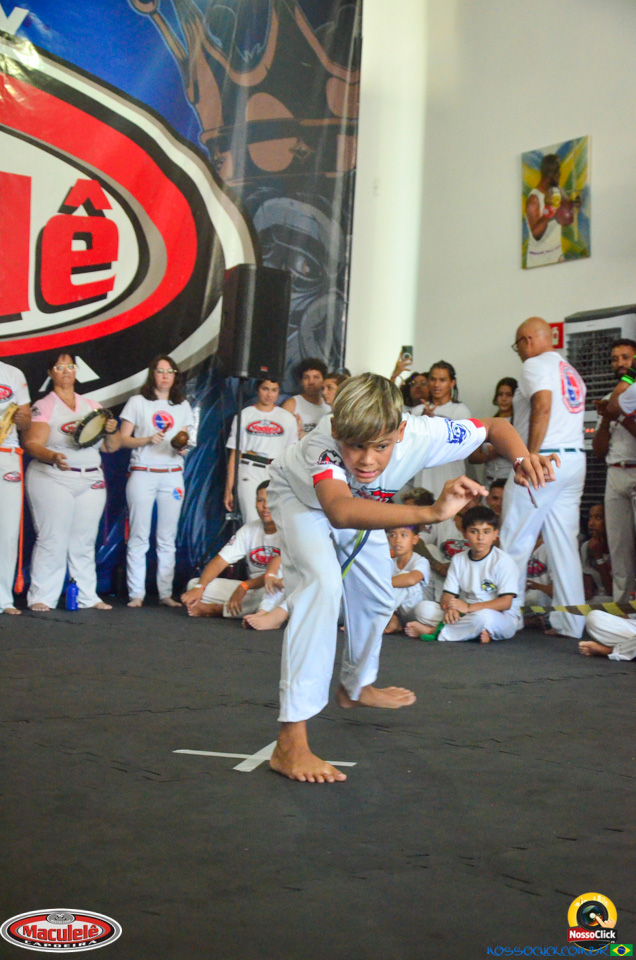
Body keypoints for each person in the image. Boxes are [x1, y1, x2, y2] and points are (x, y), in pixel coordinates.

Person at [266, 372, 555, 783]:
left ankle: (356, 688)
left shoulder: (423, 432)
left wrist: (524, 459)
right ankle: (290, 742)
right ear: (337, 431)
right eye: (355, 446)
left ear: (400, 432)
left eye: (381, 446)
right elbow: (340, 511)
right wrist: (431, 513)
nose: (367, 460)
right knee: (322, 588)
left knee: (379, 596)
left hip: (361, 504)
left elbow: (495, 427)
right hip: (303, 500)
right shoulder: (321, 446)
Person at [500, 316, 586, 639]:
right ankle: (571, 623)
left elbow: (542, 405)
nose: (519, 353)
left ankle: (508, 617)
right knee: (564, 545)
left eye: (518, 346)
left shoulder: (534, 365)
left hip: (545, 459)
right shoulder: (570, 371)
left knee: (514, 538)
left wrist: (529, 457)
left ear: (527, 340)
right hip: (573, 459)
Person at [23, 351, 120, 611]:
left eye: (70, 366)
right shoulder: (45, 405)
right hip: (53, 477)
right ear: (50, 373)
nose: (66, 371)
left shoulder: (92, 406)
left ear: (76, 371)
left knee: (84, 540)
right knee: (52, 538)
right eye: (59, 367)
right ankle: (42, 596)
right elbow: (31, 443)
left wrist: (112, 431)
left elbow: (111, 447)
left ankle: (87, 595)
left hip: (90, 478)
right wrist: (52, 456)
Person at [119, 356, 194, 608]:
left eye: (169, 371)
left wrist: (182, 448)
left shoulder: (182, 405)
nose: (164, 376)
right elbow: (122, 439)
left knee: (167, 538)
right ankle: (136, 593)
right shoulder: (138, 402)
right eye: (160, 371)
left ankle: (165, 593)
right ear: (152, 374)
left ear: (175, 376)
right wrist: (146, 440)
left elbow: (185, 438)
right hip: (143, 471)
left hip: (172, 473)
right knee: (139, 535)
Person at [404, 506, 518, 644]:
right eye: (474, 531)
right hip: (465, 612)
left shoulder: (503, 561)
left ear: (495, 534)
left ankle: (434, 631)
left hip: (499, 616)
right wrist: (450, 608)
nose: (480, 537)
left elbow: (506, 603)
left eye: (486, 532)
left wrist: (468, 608)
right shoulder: (458, 559)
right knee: (423, 609)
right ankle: (474, 632)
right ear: (464, 534)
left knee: (482, 618)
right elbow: (448, 595)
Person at [181, 481, 280, 618]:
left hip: (274, 587)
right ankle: (245, 609)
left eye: (270, 500)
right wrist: (200, 587)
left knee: (273, 593)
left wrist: (245, 586)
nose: (265, 506)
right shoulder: (249, 530)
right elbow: (220, 561)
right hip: (250, 589)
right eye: (260, 500)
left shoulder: (289, 531)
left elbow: (285, 574)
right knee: (194, 584)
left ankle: (216, 609)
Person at [592, 338, 636, 602]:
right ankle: (623, 610)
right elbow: (598, 451)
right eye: (615, 359)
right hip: (614, 474)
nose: (620, 363)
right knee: (619, 548)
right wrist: (606, 419)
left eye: (626, 357)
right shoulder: (610, 398)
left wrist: (617, 414)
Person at [224, 378, 298, 524]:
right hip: (250, 469)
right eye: (265, 389)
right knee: (252, 520)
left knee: (275, 520)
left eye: (274, 390)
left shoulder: (287, 418)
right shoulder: (244, 415)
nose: (269, 394)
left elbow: (291, 455)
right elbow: (235, 454)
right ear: (257, 390)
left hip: (276, 471)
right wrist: (228, 489)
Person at [411, 361, 472, 496]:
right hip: (422, 481)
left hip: (450, 478)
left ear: (452, 383)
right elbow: (409, 445)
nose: (436, 385)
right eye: (433, 379)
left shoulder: (460, 411)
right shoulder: (417, 411)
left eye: (442, 380)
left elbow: (461, 447)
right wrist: (422, 421)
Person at [0, 360, 31, 614]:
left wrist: (22, 418)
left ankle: (3, 599)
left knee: (8, 531)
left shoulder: (12, 373)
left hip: (7, 453)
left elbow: (25, 421)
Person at [524, 153, 580, 268]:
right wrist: (549, 212)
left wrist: (574, 205)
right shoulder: (534, 199)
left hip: (557, 253)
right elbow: (536, 234)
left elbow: (568, 219)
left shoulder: (558, 191)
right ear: (551, 174)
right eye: (558, 171)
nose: (560, 174)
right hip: (539, 258)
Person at [469, 377, 518, 485]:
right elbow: (472, 458)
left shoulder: (519, 424)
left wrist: (503, 449)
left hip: (512, 481)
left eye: (508, 395)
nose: (503, 399)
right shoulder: (488, 423)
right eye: (500, 394)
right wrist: (490, 455)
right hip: (490, 481)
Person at [383, 525, 431, 634]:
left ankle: (373, 618)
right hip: (400, 613)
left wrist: (380, 584)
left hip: (418, 611)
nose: (397, 540)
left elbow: (412, 579)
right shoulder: (389, 563)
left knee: (405, 579)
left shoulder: (421, 561)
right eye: (392, 535)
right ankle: (394, 619)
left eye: (403, 535)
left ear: (414, 539)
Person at [282, 357, 331, 437]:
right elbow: (282, 435)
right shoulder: (292, 404)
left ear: (323, 380)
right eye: (306, 377)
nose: (311, 382)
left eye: (316, 377)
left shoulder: (329, 404)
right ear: (301, 381)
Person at [580, 504, 612, 603]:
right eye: (590, 518)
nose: (591, 523)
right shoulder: (586, 547)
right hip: (596, 600)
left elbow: (612, 591)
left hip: (617, 601)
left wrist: (599, 557)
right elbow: (588, 592)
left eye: (598, 518)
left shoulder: (620, 547)